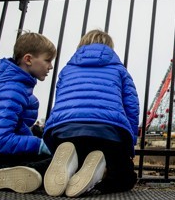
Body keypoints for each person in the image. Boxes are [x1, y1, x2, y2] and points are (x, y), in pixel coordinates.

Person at [43, 29, 139, 197]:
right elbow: (132, 108)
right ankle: (98, 173)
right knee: (125, 178)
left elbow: (60, 102)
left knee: (73, 158)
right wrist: (128, 147)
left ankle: (73, 166)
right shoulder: (119, 70)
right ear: (109, 48)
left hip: (65, 132)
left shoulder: (66, 70)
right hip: (107, 133)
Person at [0, 31, 57, 194]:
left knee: (55, 162)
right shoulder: (12, 89)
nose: (50, 66)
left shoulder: (17, 87)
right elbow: (1, 139)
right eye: (47, 60)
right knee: (55, 164)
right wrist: (40, 145)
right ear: (28, 59)